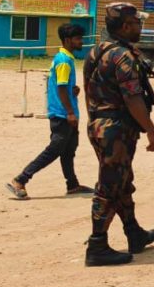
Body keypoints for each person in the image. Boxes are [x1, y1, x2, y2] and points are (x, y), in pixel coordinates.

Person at [82, 2, 154, 266]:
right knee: (109, 187)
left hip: (100, 125)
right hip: (116, 129)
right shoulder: (123, 56)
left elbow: (88, 91)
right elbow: (133, 99)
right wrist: (152, 132)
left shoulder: (96, 51)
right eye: (138, 23)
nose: (141, 27)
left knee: (122, 182)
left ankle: (134, 233)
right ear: (126, 26)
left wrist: (95, 121)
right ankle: (97, 246)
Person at [5, 23, 94, 200]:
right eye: (77, 39)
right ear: (68, 40)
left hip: (66, 112)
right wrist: (69, 112)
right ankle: (20, 179)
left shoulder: (64, 58)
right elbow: (61, 88)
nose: (81, 42)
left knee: (69, 150)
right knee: (54, 150)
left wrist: (72, 90)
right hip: (62, 114)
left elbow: (61, 86)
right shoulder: (64, 61)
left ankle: (73, 185)